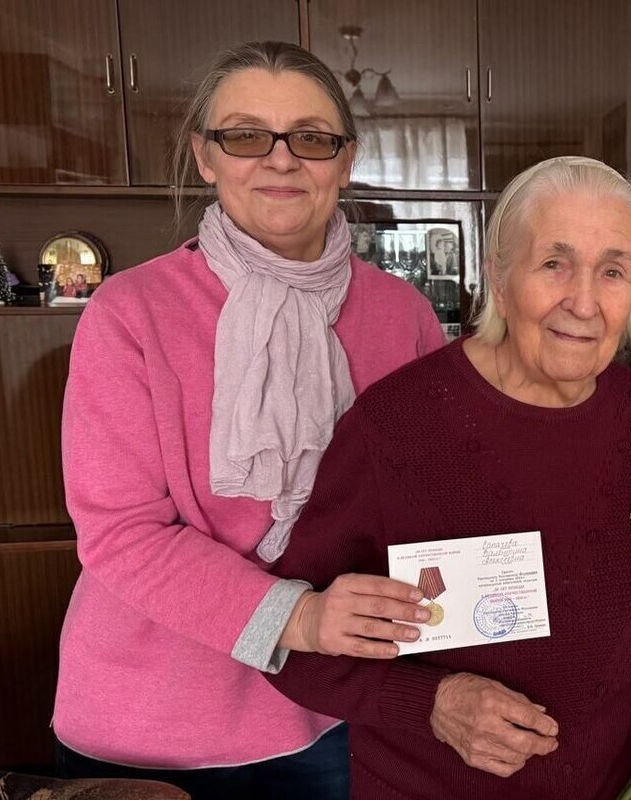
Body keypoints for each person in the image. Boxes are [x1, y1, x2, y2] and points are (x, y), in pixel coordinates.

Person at [264, 156, 631, 799]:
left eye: (612, 271)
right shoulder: (396, 424)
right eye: (554, 263)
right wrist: (433, 702)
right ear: (499, 278)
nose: (584, 302)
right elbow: (294, 647)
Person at [54, 41, 446, 799]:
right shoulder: (129, 312)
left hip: (334, 713)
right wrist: (299, 618)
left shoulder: (404, 316)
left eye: (311, 137)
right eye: (245, 135)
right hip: (149, 729)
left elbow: (429, 505)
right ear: (205, 155)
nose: (281, 159)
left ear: (346, 160)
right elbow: (121, 533)